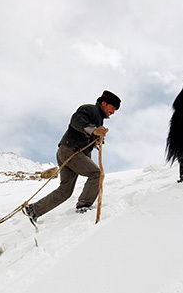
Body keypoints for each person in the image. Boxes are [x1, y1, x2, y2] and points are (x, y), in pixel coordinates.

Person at [26, 90, 121, 223]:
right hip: (71, 150)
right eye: (113, 108)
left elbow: (90, 136)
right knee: (96, 173)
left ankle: (34, 210)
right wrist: (94, 130)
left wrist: (98, 141)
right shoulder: (89, 109)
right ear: (104, 103)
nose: (113, 112)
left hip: (67, 152)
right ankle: (84, 205)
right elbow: (76, 121)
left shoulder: (99, 120)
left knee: (65, 191)